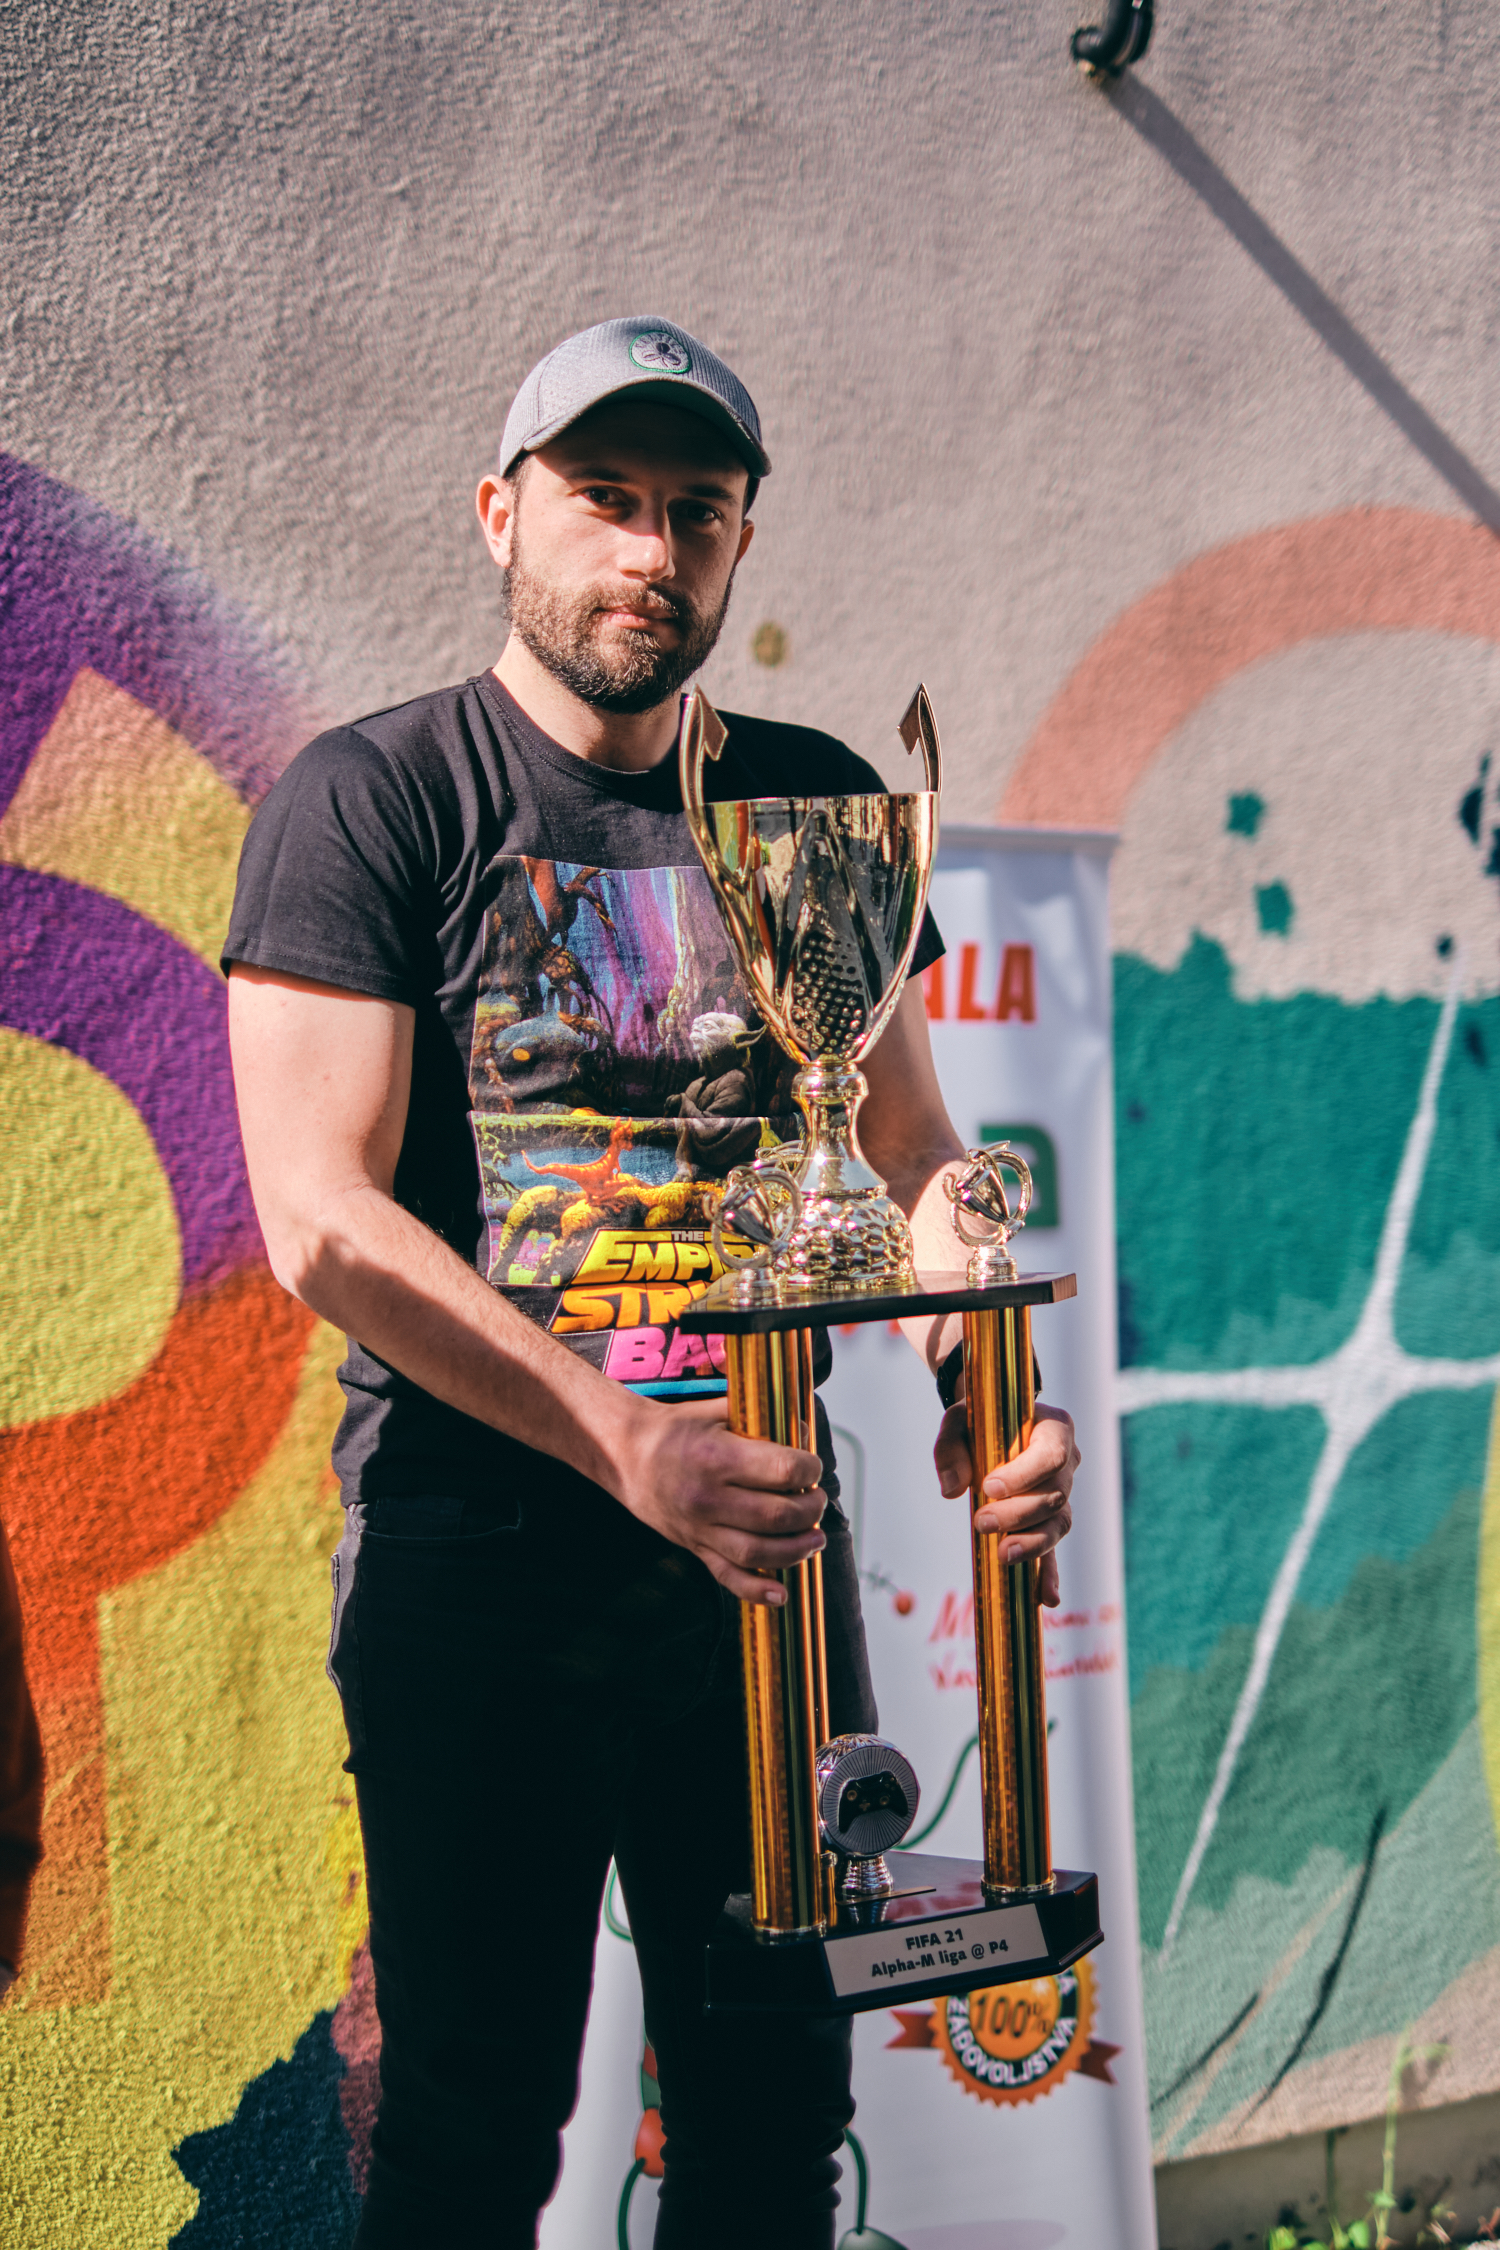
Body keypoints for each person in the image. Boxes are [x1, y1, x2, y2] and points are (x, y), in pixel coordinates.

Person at [224, 316, 1080, 2250]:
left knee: (775, 2121)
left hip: (767, 1567)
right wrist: (629, 1445)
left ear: (741, 545)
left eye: (697, 511)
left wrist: (990, 1385)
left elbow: (910, 1151)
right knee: (472, 2132)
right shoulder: (377, 799)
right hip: (479, 1566)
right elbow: (321, 1219)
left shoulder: (810, 801)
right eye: (604, 497)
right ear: (500, 513)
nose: (650, 549)